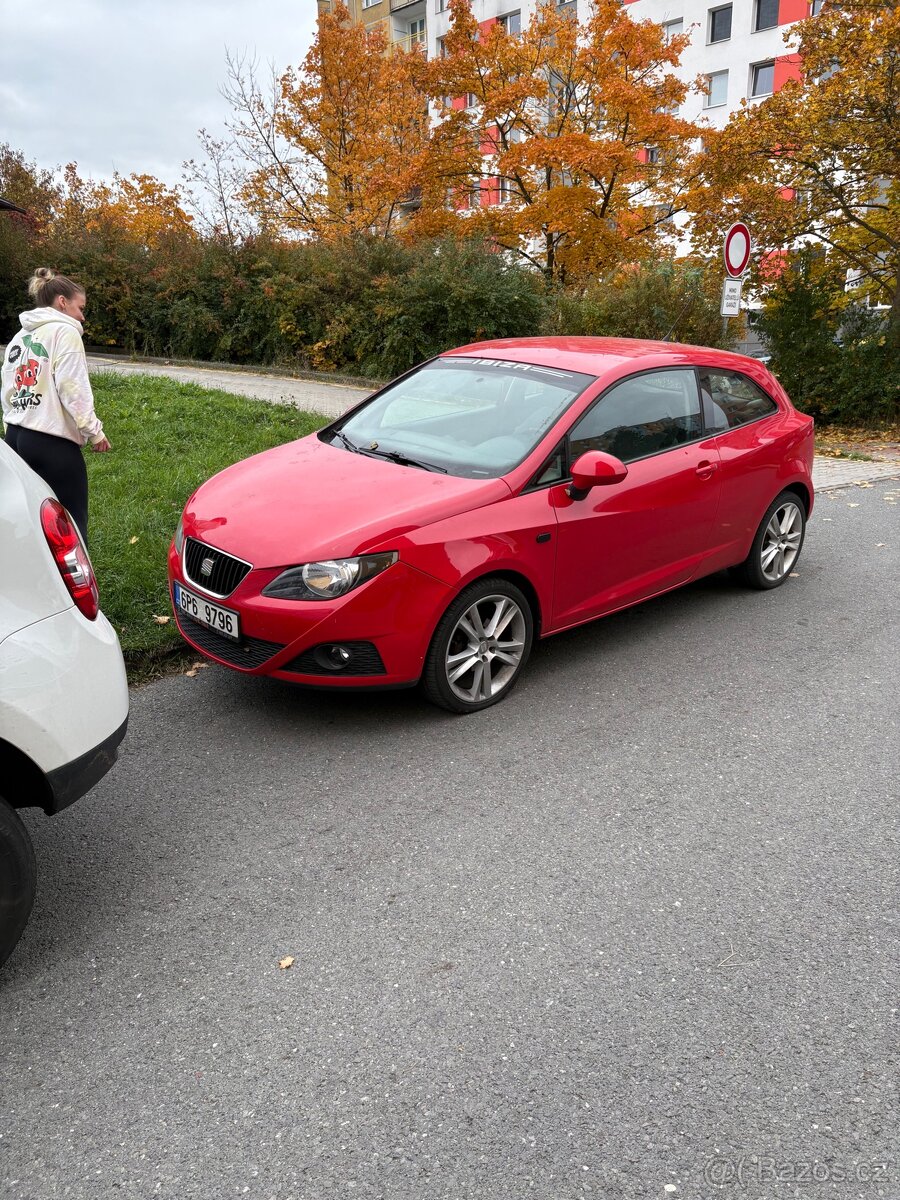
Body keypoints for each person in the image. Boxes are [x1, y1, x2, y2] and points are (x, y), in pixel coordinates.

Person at [1, 268, 110, 544]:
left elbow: (8, 386)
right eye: (80, 308)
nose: (82, 317)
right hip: (51, 443)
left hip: (15, 437)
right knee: (71, 521)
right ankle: (74, 586)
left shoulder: (20, 337)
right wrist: (93, 430)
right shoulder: (65, 332)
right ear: (62, 302)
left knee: (27, 517)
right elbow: (72, 386)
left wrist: (11, 423)